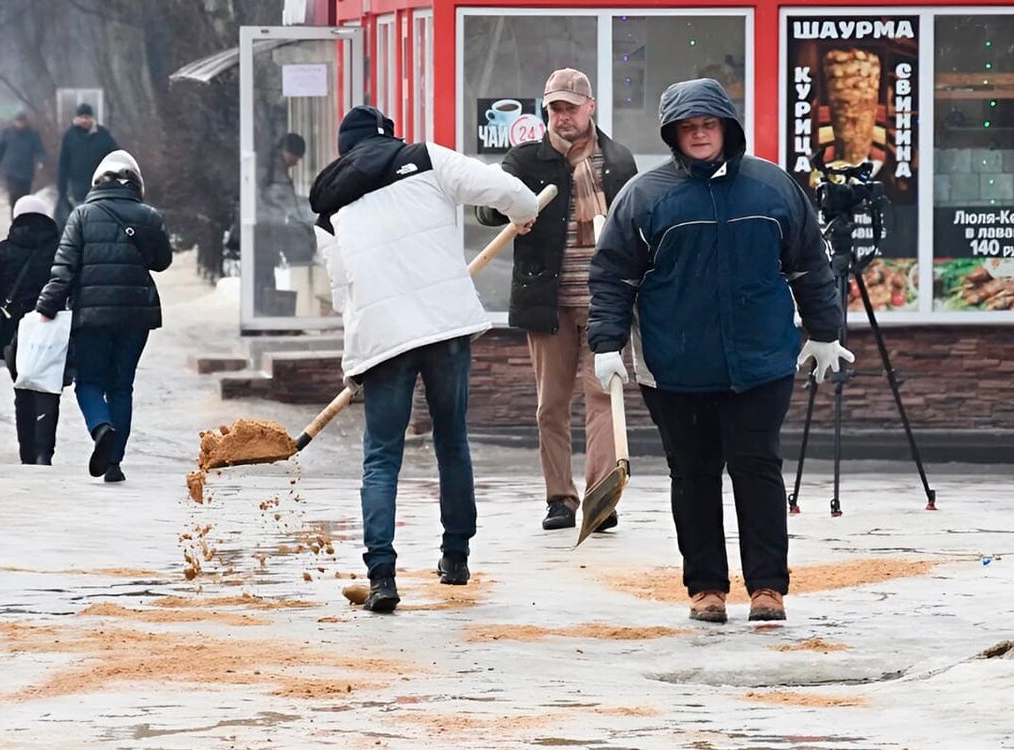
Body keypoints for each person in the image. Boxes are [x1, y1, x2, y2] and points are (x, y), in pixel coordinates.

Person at [588, 78, 853, 624]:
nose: (700, 134)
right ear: (673, 135)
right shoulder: (645, 196)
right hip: (676, 366)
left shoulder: (773, 189)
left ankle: (767, 589)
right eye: (688, 127)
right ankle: (706, 588)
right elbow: (613, 277)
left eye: (708, 124)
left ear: (727, 128)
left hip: (761, 362)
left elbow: (809, 263)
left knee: (757, 470)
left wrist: (826, 331)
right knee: (693, 475)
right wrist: (606, 342)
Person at [310, 105, 538, 613]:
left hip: (383, 337)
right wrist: (523, 214)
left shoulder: (329, 203)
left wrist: (358, 353)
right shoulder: (425, 158)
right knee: (450, 438)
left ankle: (382, 575)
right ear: (389, 137)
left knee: (380, 457)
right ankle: (455, 556)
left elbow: (341, 290)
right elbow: (504, 189)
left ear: (346, 151)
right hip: (444, 326)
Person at [476, 68, 638, 533]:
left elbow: (635, 225)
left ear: (590, 107)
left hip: (604, 301)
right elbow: (487, 206)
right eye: (555, 109)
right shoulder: (528, 160)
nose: (563, 117)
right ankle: (559, 498)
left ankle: (601, 497)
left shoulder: (617, 161)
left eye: (571, 107)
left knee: (602, 394)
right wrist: (508, 206)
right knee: (551, 403)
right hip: (547, 301)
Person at [37, 150, 172, 483]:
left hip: (93, 315)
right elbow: (161, 261)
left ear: (97, 183)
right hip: (136, 315)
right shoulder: (149, 216)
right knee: (122, 385)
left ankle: (101, 428)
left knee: (90, 382)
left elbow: (64, 267)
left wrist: (47, 306)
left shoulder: (81, 216)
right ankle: (114, 462)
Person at [0, 195, 62, 465]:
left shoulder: (3, 250)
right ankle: (44, 451)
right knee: (49, 389)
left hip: (15, 331)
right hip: (51, 328)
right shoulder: (59, 250)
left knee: (22, 391)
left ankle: (27, 455)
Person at [254, 132, 316, 316]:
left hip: (264, 231)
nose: (297, 163)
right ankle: (265, 316)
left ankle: (265, 314)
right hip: (264, 231)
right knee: (263, 276)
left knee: (264, 275)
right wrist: (309, 215)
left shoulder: (271, 166)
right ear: (288, 152)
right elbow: (286, 201)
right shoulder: (275, 172)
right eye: (297, 158)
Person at [56, 103, 118, 214]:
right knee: (82, 217)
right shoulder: (70, 136)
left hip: (100, 186)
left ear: (92, 118)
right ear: (77, 118)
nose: (84, 121)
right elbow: (63, 162)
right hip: (78, 188)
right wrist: (62, 188)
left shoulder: (103, 135)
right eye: (82, 117)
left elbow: (115, 156)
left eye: (87, 117)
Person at [0, 113, 46, 212]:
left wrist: (41, 160)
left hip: (27, 170)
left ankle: (22, 217)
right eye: (18, 122)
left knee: (24, 197)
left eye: (22, 122)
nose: (20, 124)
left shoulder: (32, 135)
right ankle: (14, 217)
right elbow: (0, 150)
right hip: (11, 170)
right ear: (14, 122)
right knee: (14, 195)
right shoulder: (7, 134)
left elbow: (39, 149)